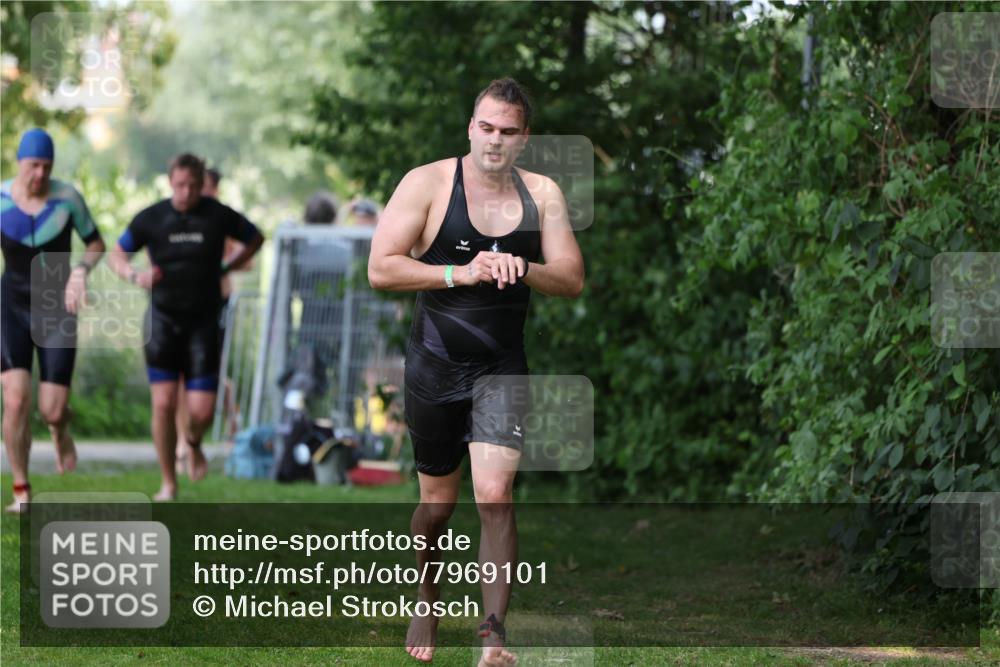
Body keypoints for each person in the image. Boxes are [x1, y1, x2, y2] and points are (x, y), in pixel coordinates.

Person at [368, 78, 584, 666]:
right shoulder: (429, 183)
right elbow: (381, 269)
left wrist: (525, 266)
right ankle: (426, 594)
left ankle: (493, 636)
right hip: (434, 367)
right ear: (471, 127)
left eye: (508, 131)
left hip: (500, 368)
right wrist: (456, 274)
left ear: (525, 138)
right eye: (485, 127)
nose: (495, 140)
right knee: (437, 507)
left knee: (495, 495)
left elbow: (571, 277)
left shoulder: (544, 193)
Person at [107, 153, 263, 501]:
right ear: (170, 182)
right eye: (179, 185)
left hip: (203, 324)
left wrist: (227, 266)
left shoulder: (217, 215)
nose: (186, 192)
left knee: (202, 411)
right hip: (162, 321)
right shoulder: (152, 217)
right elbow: (116, 255)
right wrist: (136, 275)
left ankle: (192, 443)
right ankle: (168, 483)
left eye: (193, 185)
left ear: (200, 183)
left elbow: (256, 238)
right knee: (162, 404)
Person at [1, 128, 106, 513]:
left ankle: (60, 431)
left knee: (52, 409)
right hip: (10, 304)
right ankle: (22, 490)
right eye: (34, 166)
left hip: (56, 304)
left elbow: (96, 242)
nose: (41, 174)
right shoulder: (0, 199)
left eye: (47, 166)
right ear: (19, 164)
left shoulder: (67, 199)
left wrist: (80, 271)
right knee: (15, 401)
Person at [174, 167, 244, 475]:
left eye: (207, 189)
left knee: (209, 372)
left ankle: (228, 423)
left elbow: (248, 250)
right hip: (181, 304)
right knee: (180, 372)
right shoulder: (181, 217)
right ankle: (182, 440)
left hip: (217, 303)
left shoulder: (222, 220)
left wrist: (220, 266)